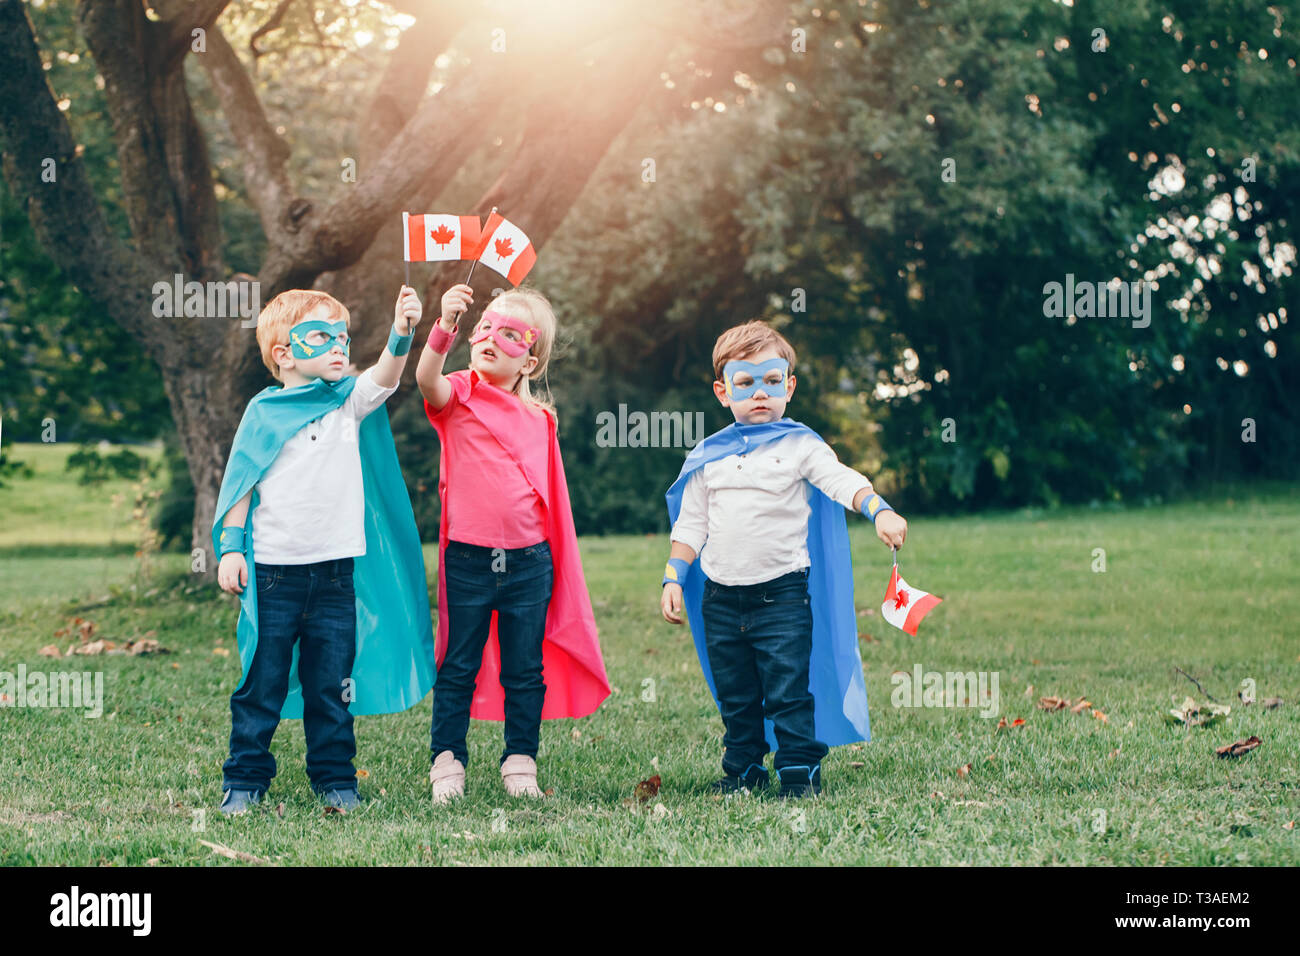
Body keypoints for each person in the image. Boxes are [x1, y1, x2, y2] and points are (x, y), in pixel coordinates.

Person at [661, 321, 908, 798]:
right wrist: (674, 577)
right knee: (736, 695)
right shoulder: (708, 456)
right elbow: (690, 525)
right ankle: (744, 769)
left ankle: (798, 769)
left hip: (782, 596)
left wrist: (877, 509)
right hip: (720, 596)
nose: (760, 394)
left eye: (772, 381)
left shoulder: (800, 446)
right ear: (722, 390)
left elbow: (839, 479)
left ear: (789, 386)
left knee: (788, 688)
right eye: (746, 382)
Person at [214, 286, 435, 814]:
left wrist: (401, 331)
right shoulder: (263, 413)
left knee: (333, 687)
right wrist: (230, 548)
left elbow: (385, 377)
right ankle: (244, 780)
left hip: (335, 575)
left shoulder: (347, 403)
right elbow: (242, 482)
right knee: (261, 682)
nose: (338, 346)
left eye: (343, 336)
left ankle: (335, 779)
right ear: (284, 354)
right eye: (321, 336)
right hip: (273, 574)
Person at [415, 283, 609, 803]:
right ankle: (447, 760)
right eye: (484, 328)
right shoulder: (458, 394)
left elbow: (550, 502)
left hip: (529, 564)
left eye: (509, 334)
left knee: (526, 669)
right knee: (458, 663)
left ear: (530, 360)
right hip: (468, 561)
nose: (490, 338)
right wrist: (444, 325)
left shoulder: (540, 421)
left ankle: (520, 759)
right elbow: (424, 379)